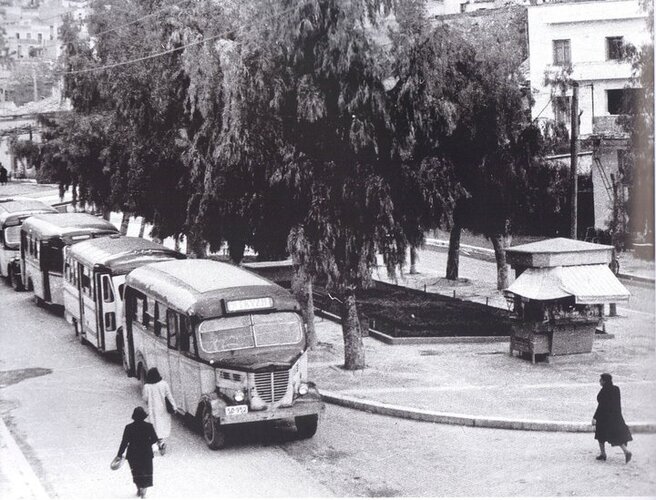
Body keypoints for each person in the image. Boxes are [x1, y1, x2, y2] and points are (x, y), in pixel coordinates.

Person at [115, 406, 159, 498]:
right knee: (146, 473)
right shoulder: (149, 426)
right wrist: (147, 443)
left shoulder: (129, 427)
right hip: (146, 453)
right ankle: (143, 490)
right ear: (144, 416)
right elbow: (155, 439)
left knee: (136, 472)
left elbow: (124, 442)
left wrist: (119, 454)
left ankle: (139, 488)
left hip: (133, 454)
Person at [592, 373, 633, 463]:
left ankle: (603, 454)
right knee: (616, 436)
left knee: (600, 436)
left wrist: (594, 417)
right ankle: (626, 451)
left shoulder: (604, 391)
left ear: (604, 381)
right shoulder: (616, 389)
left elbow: (601, 406)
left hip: (604, 418)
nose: (599, 381)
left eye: (601, 380)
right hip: (615, 417)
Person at [143, 367, 177, 455]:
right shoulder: (164, 384)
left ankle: (154, 445)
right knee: (162, 426)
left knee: (153, 426)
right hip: (163, 409)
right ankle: (161, 442)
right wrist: (174, 407)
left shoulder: (147, 386)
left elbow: (145, 398)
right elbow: (169, 396)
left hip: (152, 410)